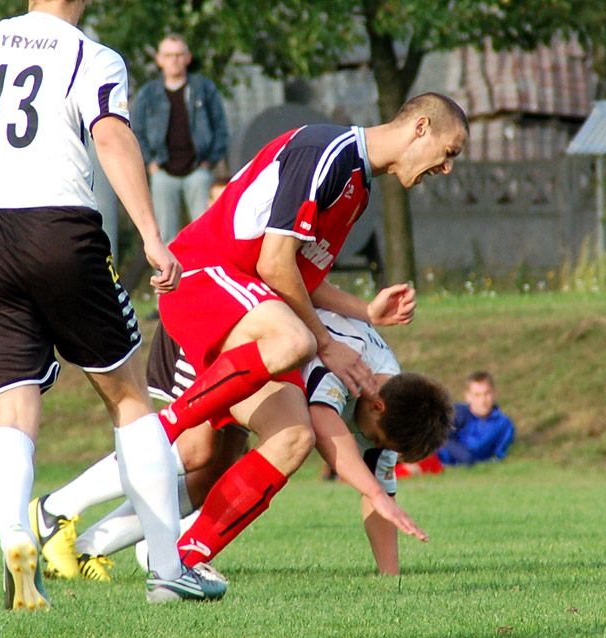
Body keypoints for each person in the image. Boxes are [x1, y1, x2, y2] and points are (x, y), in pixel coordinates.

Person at [0, 0, 226, 607]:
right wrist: (151, 234)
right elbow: (112, 134)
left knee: (10, 415)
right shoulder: (91, 56)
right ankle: (168, 570)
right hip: (60, 227)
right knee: (126, 396)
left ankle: (16, 531)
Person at [148, 93, 468, 570]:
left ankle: (177, 562)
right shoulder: (330, 152)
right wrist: (326, 342)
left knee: (271, 444)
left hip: (248, 306)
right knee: (276, 370)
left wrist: (365, 311)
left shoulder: (358, 189)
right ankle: (135, 458)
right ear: (421, 127)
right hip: (205, 280)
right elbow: (273, 264)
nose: (447, 169)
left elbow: (302, 276)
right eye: (450, 152)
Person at [34, 309, 451, 578]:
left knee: (211, 473)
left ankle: (91, 547)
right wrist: (374, 491)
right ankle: (57, 508)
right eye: (373, 437)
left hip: (256, 362)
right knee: (195, 450)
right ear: (376, 405)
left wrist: (389, 580)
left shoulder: (391, 385)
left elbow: (380, 499)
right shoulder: (353, 366)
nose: (367, 444)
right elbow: (324, 425)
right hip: (212, 329)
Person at [132, 33, 229, 243]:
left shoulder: (203, 89)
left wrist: (208, 163)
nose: (174, 60)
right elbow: (136, 131)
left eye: (178, 55)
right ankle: (166, 276)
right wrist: (150, 164)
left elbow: (220, 127)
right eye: (168, 55)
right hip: (162, 171)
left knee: (205, 232)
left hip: (198, 170)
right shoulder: (149, 93)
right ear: (159, 59)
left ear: (188, 57)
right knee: (164, 236)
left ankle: (206, 274)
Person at [436, 370, 515, 466]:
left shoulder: (503, 424)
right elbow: (441, 438)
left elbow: (499, 455)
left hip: (472, 468)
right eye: (477, 395)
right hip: (437, 461)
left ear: (494, 393)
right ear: (468, 396)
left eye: (487, 393)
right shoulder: (458, 413)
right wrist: (465, 457)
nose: (483, 400)